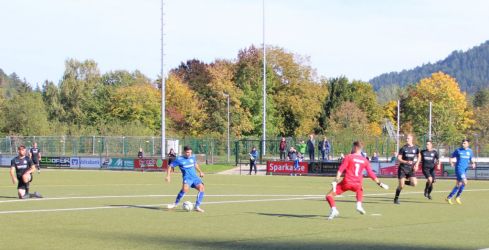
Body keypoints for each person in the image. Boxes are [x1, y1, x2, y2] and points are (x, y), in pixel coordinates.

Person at [325, 141, 389, 220]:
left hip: (347, 182)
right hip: (357, 183)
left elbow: (341, 170)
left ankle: (334, 210)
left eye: (352, 147)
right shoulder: (365, 160)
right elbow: (371, 173)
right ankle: (359, 205)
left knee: (329, 195)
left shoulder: (348, 157)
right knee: (360, 189)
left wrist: (336, 180)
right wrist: (380, 183)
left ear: (355, 147)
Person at [166, 146, 205, 212]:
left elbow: (195, 165)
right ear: (184, 152)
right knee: (184, 190)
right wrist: (168, 176)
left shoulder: (192, 157)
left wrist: (200, 171)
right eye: (187, 152)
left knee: (202, 188)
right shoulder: (179, 159)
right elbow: (170, 166)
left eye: (190, 152)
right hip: (187, 178)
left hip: (195, 178)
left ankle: (197, 206)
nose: (189, 154)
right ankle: (175, 204)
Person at [446, 139, 476, 205]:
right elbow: (451, 157)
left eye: (464, 143)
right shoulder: (458, 150)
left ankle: (449, 197)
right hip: (459, 169)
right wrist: (451, 163)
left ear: (468, 144)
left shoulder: (470, 151)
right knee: (465, 182)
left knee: (459, 184)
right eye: (462, 143)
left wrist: (473, 163)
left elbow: (472, 158)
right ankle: (457, 197)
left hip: (464, 170)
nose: (463, 144)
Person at [394, 134, 421, 205]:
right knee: (401, 186)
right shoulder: (403, 148)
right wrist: (406, 161)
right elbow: (399, 158)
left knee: (414, 183)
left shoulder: (416, 148)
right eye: (406, 138)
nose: (407, 140)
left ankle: (403, 182)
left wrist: (417, 164)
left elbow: (419, 156)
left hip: (410, 169)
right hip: (402, 168)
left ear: (412, 139)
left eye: (408, 138)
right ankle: (396, 198)